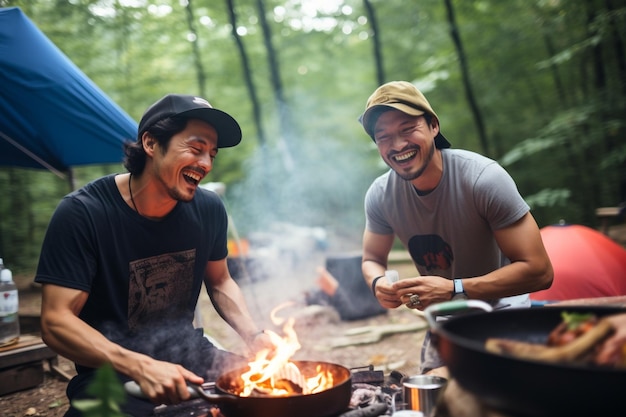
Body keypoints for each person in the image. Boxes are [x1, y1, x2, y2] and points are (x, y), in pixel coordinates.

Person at [35, 94, 273, 416]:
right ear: (150, 142)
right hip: (110, 369)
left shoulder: (208, 209)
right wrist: (141, 366)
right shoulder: (83, 214)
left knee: (268, 396)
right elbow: (55, 321)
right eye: (195, 148)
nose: (205, 164)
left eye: (212, 154)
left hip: (190, 353)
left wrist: (254, 335)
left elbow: (220, 282)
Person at [357, 81, 554, 377]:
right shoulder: (381, 195)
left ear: (433, 126)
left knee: (466, 394)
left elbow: (540, 271)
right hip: (446, 321)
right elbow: (371, 259)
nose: (397, 145)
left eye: (407, 129)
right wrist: (377, 284)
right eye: (383, 137)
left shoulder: (482, 179)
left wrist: (454, 289)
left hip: (502, 314)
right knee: (429, 395)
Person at [304, 254, 387, 321]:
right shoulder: (322, 296)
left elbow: (349, 311)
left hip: (356, 307)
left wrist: (334, 288)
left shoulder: (352, 304)